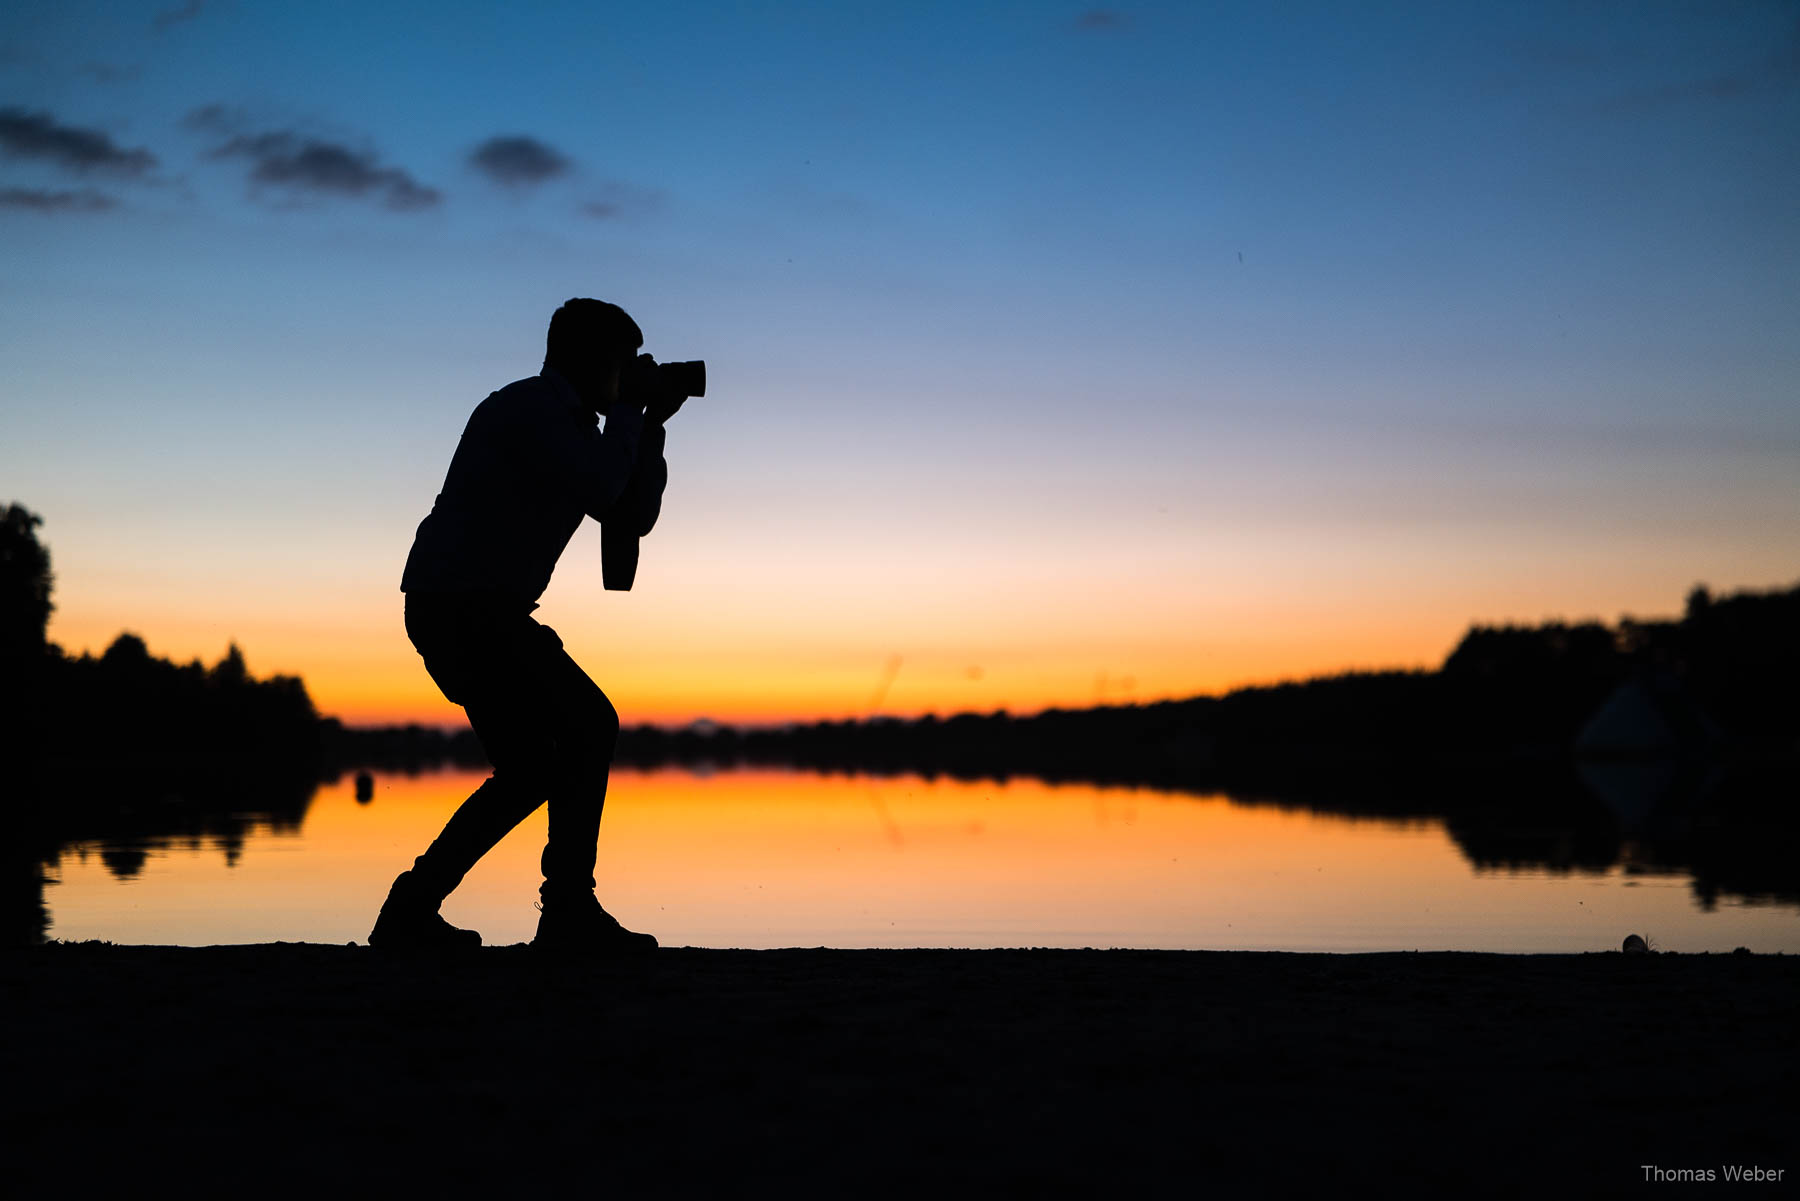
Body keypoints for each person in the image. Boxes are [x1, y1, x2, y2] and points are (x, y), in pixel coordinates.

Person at [369, 298, 683, 953]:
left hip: (472, 608)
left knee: (531, 769)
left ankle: (413, 906)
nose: (631, 372)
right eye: (624, 363)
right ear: (597, 360)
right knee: (590, 724)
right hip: (464, 607)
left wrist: (650, 428)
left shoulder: (570, 426)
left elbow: (630, 516)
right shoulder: (531, 411)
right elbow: (603, 488)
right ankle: (566, 909)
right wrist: (629, 414)